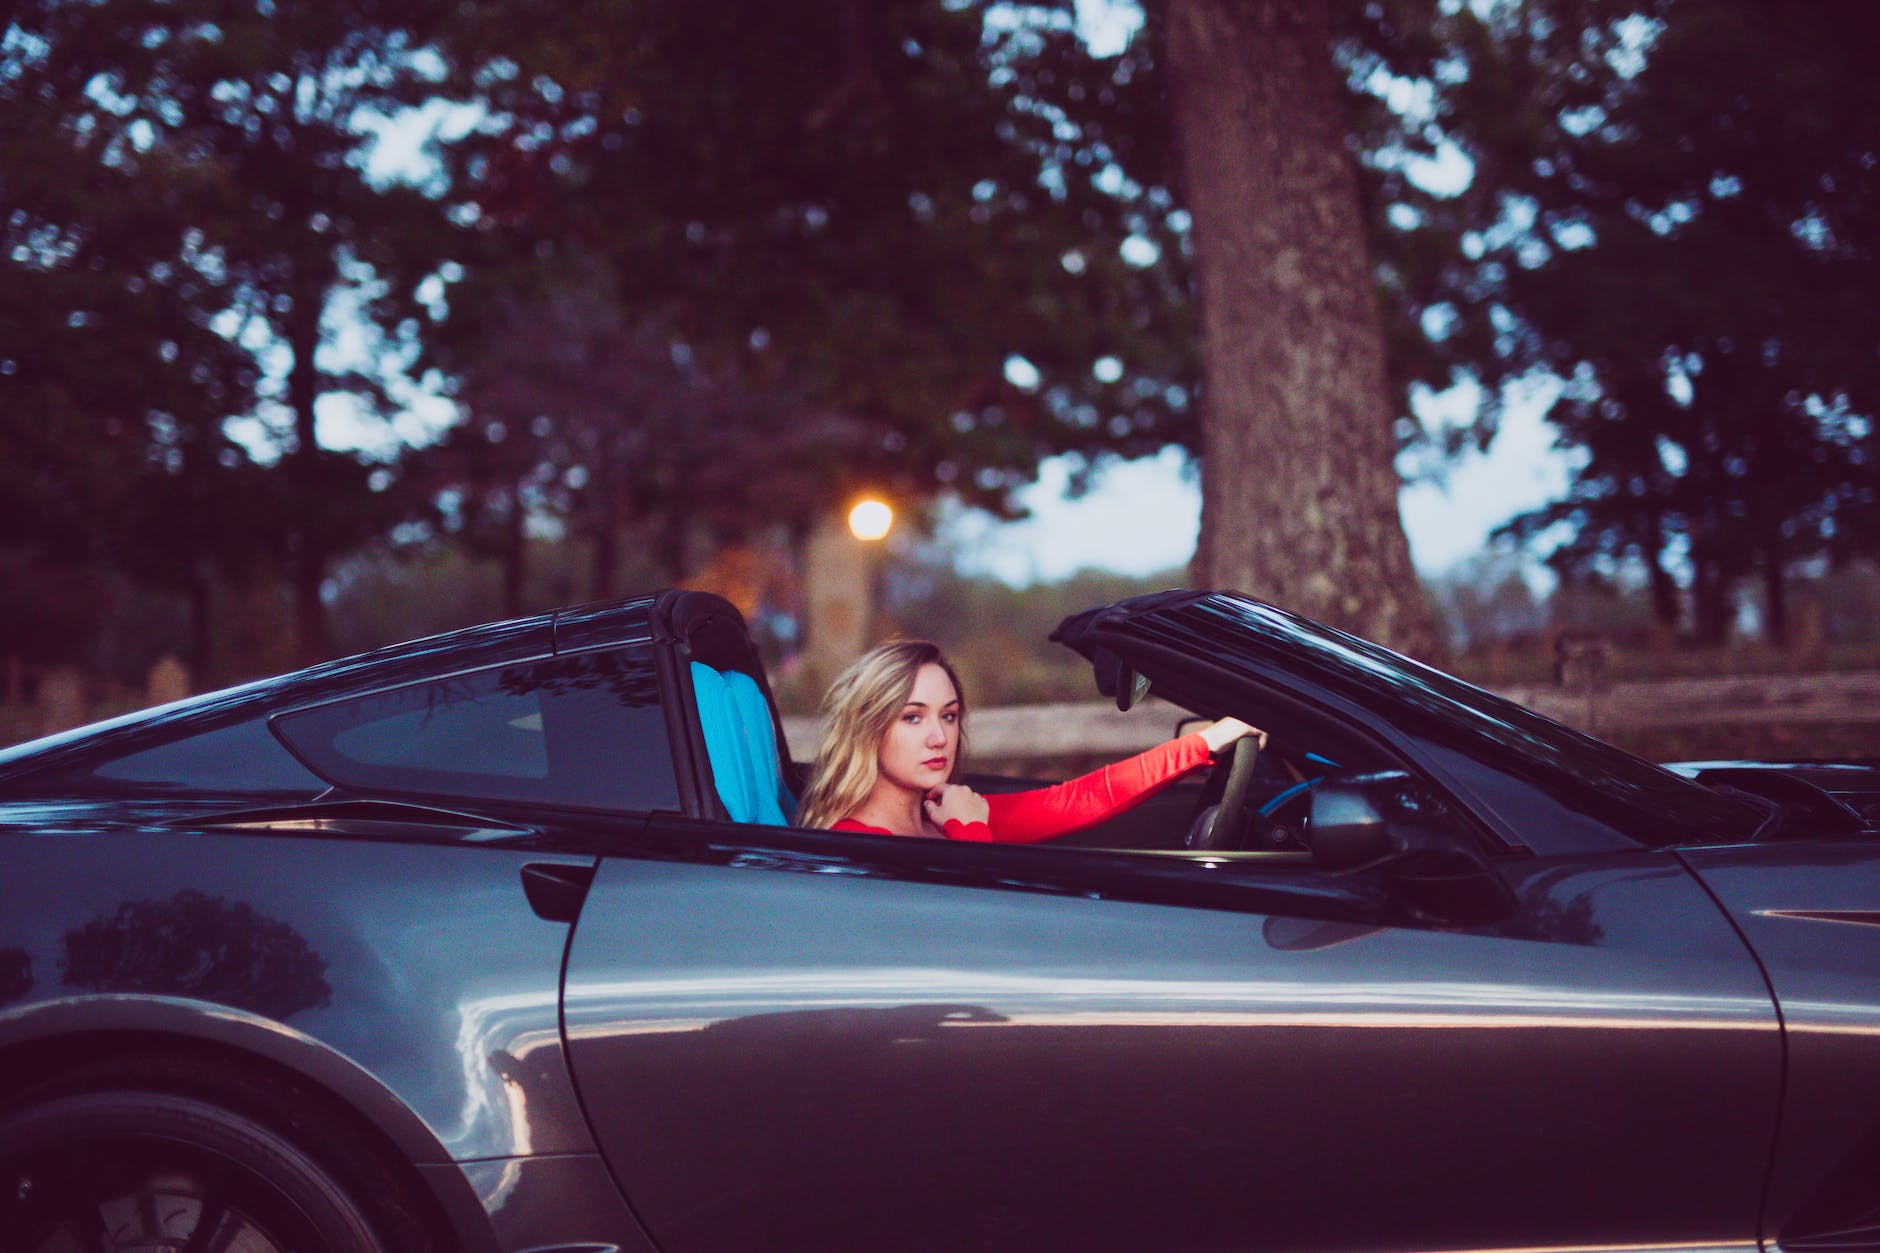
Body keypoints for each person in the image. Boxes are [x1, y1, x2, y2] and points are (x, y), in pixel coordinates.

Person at [795, 639, 1263, 842]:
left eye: (950, 716)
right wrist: (969, 829)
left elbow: (1079, 799)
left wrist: (1206, 743)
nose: (939, 737)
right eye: (912, 718)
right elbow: (977, 927)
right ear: (870, 728)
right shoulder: (854, 844)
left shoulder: (942, 812)